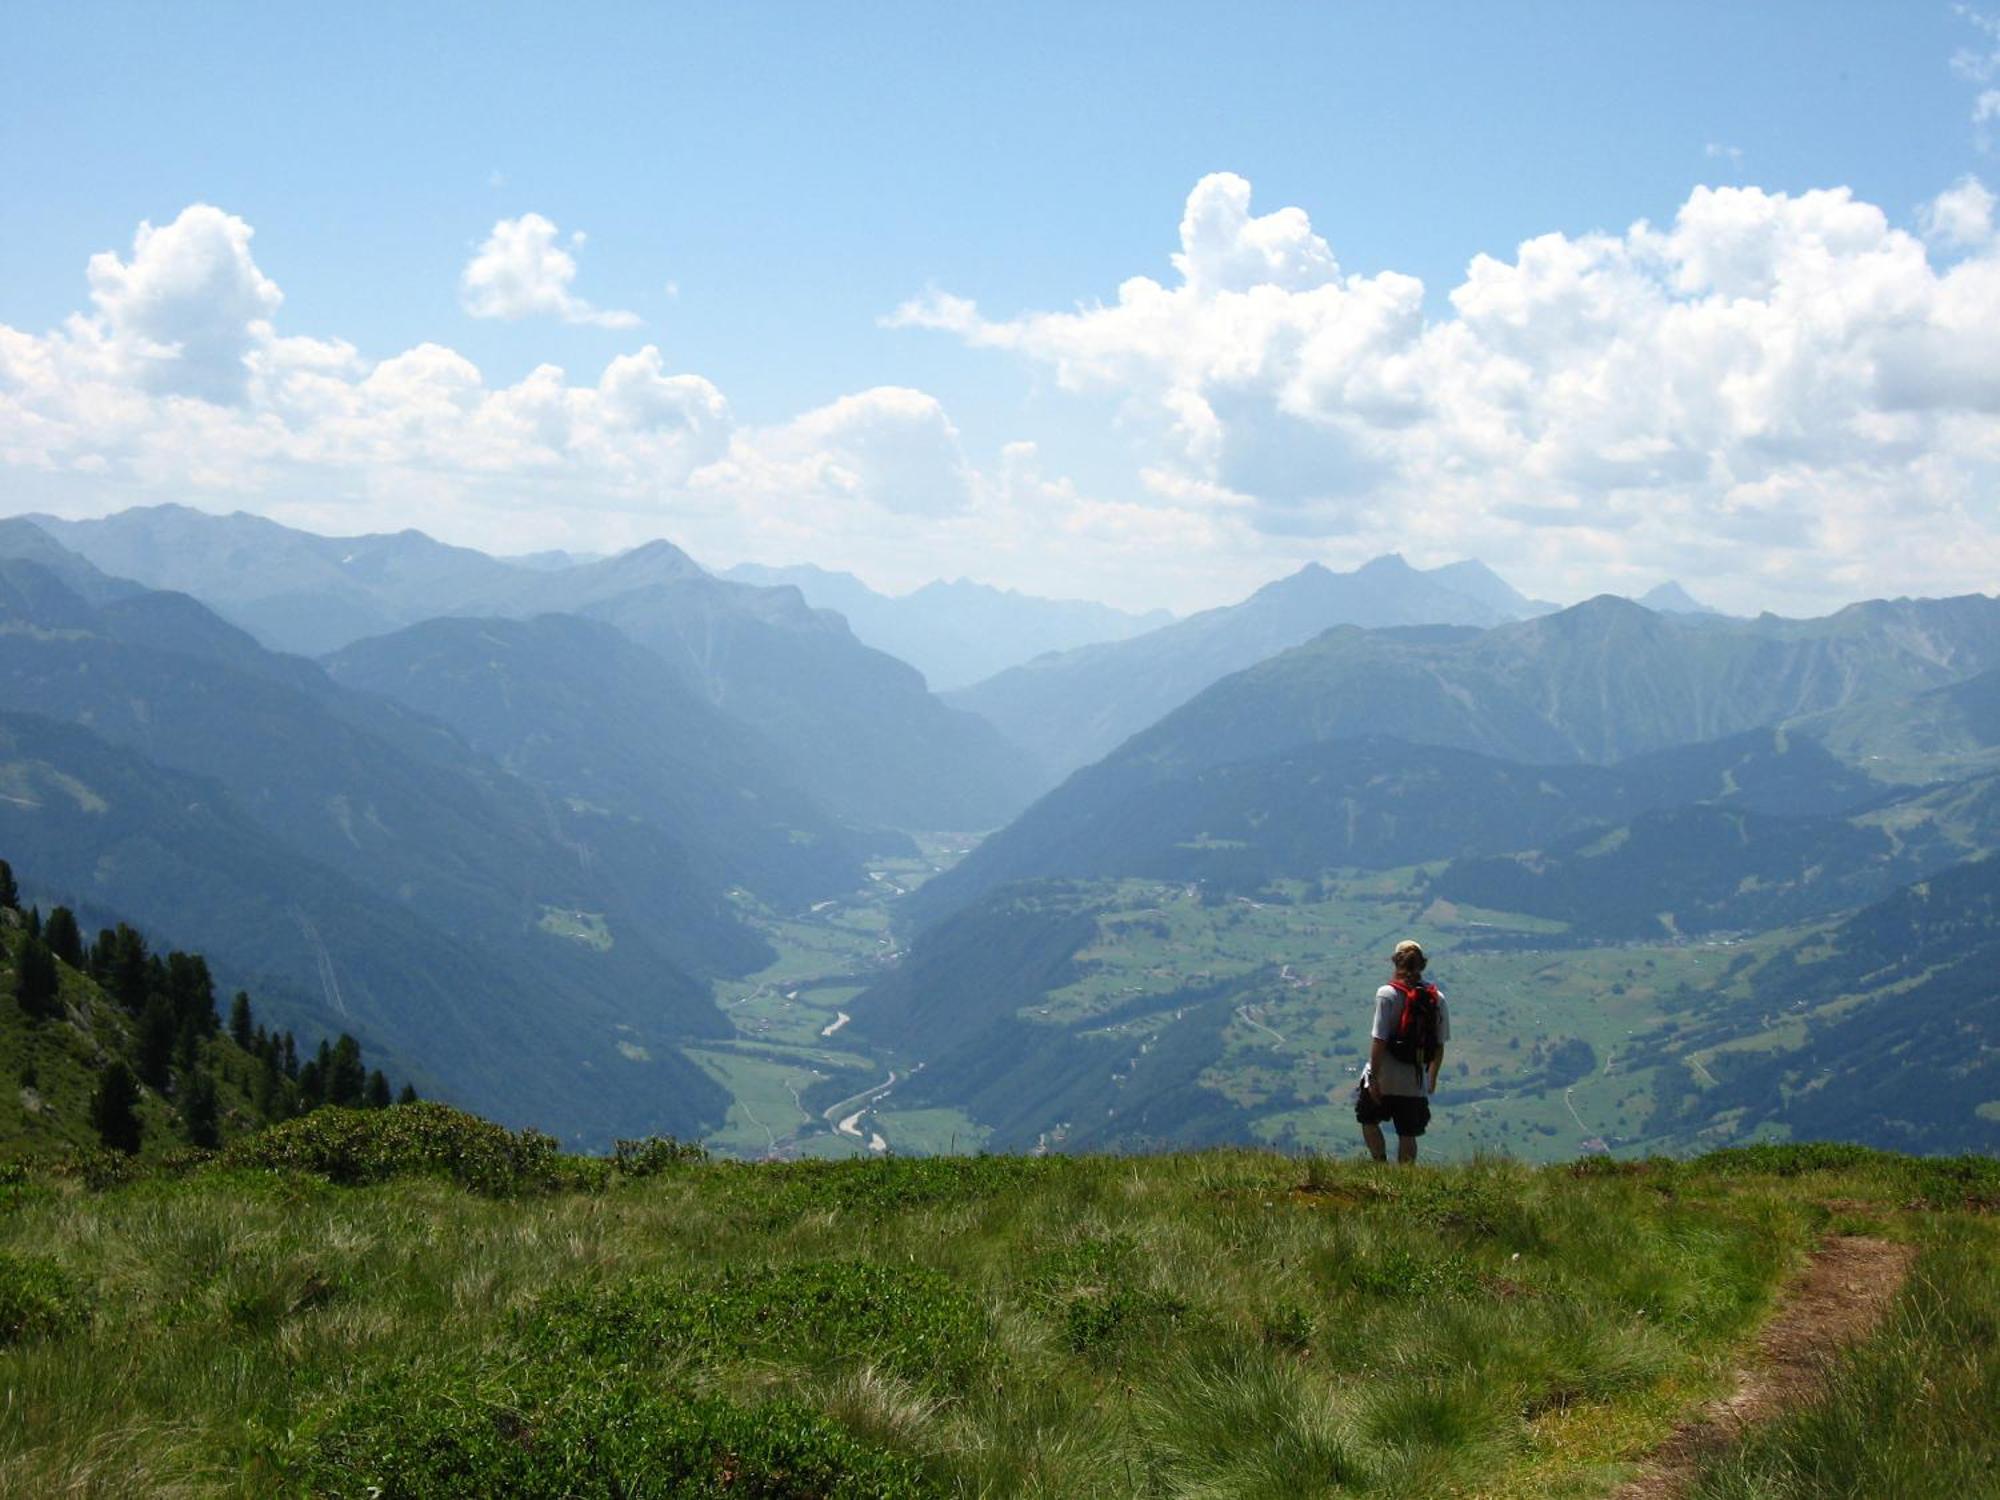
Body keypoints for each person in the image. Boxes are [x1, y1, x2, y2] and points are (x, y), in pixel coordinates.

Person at [1354, 938, 1448, 1164]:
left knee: (1368, 1120)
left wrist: (1374, 1077)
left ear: (1396, 962)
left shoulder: (1386, 994)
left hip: (1385, 1074)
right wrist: (1431, 1078)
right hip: (1415, 1078)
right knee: (1407, 1133)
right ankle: (1405, 1178)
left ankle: (1380, 1165)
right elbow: (1439, 1044)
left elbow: (1379, 1039)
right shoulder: (1436, 998)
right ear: (1422, 964)